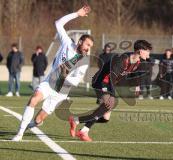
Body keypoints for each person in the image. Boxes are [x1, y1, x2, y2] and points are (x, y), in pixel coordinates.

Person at [12, 5, 93, 141]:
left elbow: (75, 81)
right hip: (49, 83)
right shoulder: (67, 43)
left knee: (39, 119)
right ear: (80, 42)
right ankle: (19, 134)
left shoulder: (83, 62)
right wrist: (77, 14)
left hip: (61, 91)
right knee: (34, 99)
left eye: (90, 47)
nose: (88, 48)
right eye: (87, 45)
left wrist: (65, 73)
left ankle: (32, 124)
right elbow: (58, 23)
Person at [68, 40, 152, 141]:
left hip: (108, 84)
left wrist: (137, 85)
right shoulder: (121, 59)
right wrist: (112, 94)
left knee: (105, 118)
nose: (148, 53)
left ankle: (76, 121)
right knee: (110, 104)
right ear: (140, 51)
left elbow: (128, 76)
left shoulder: (137, 62)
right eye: (147, 51)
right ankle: (83, 131)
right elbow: (112, 77)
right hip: (100, 82)